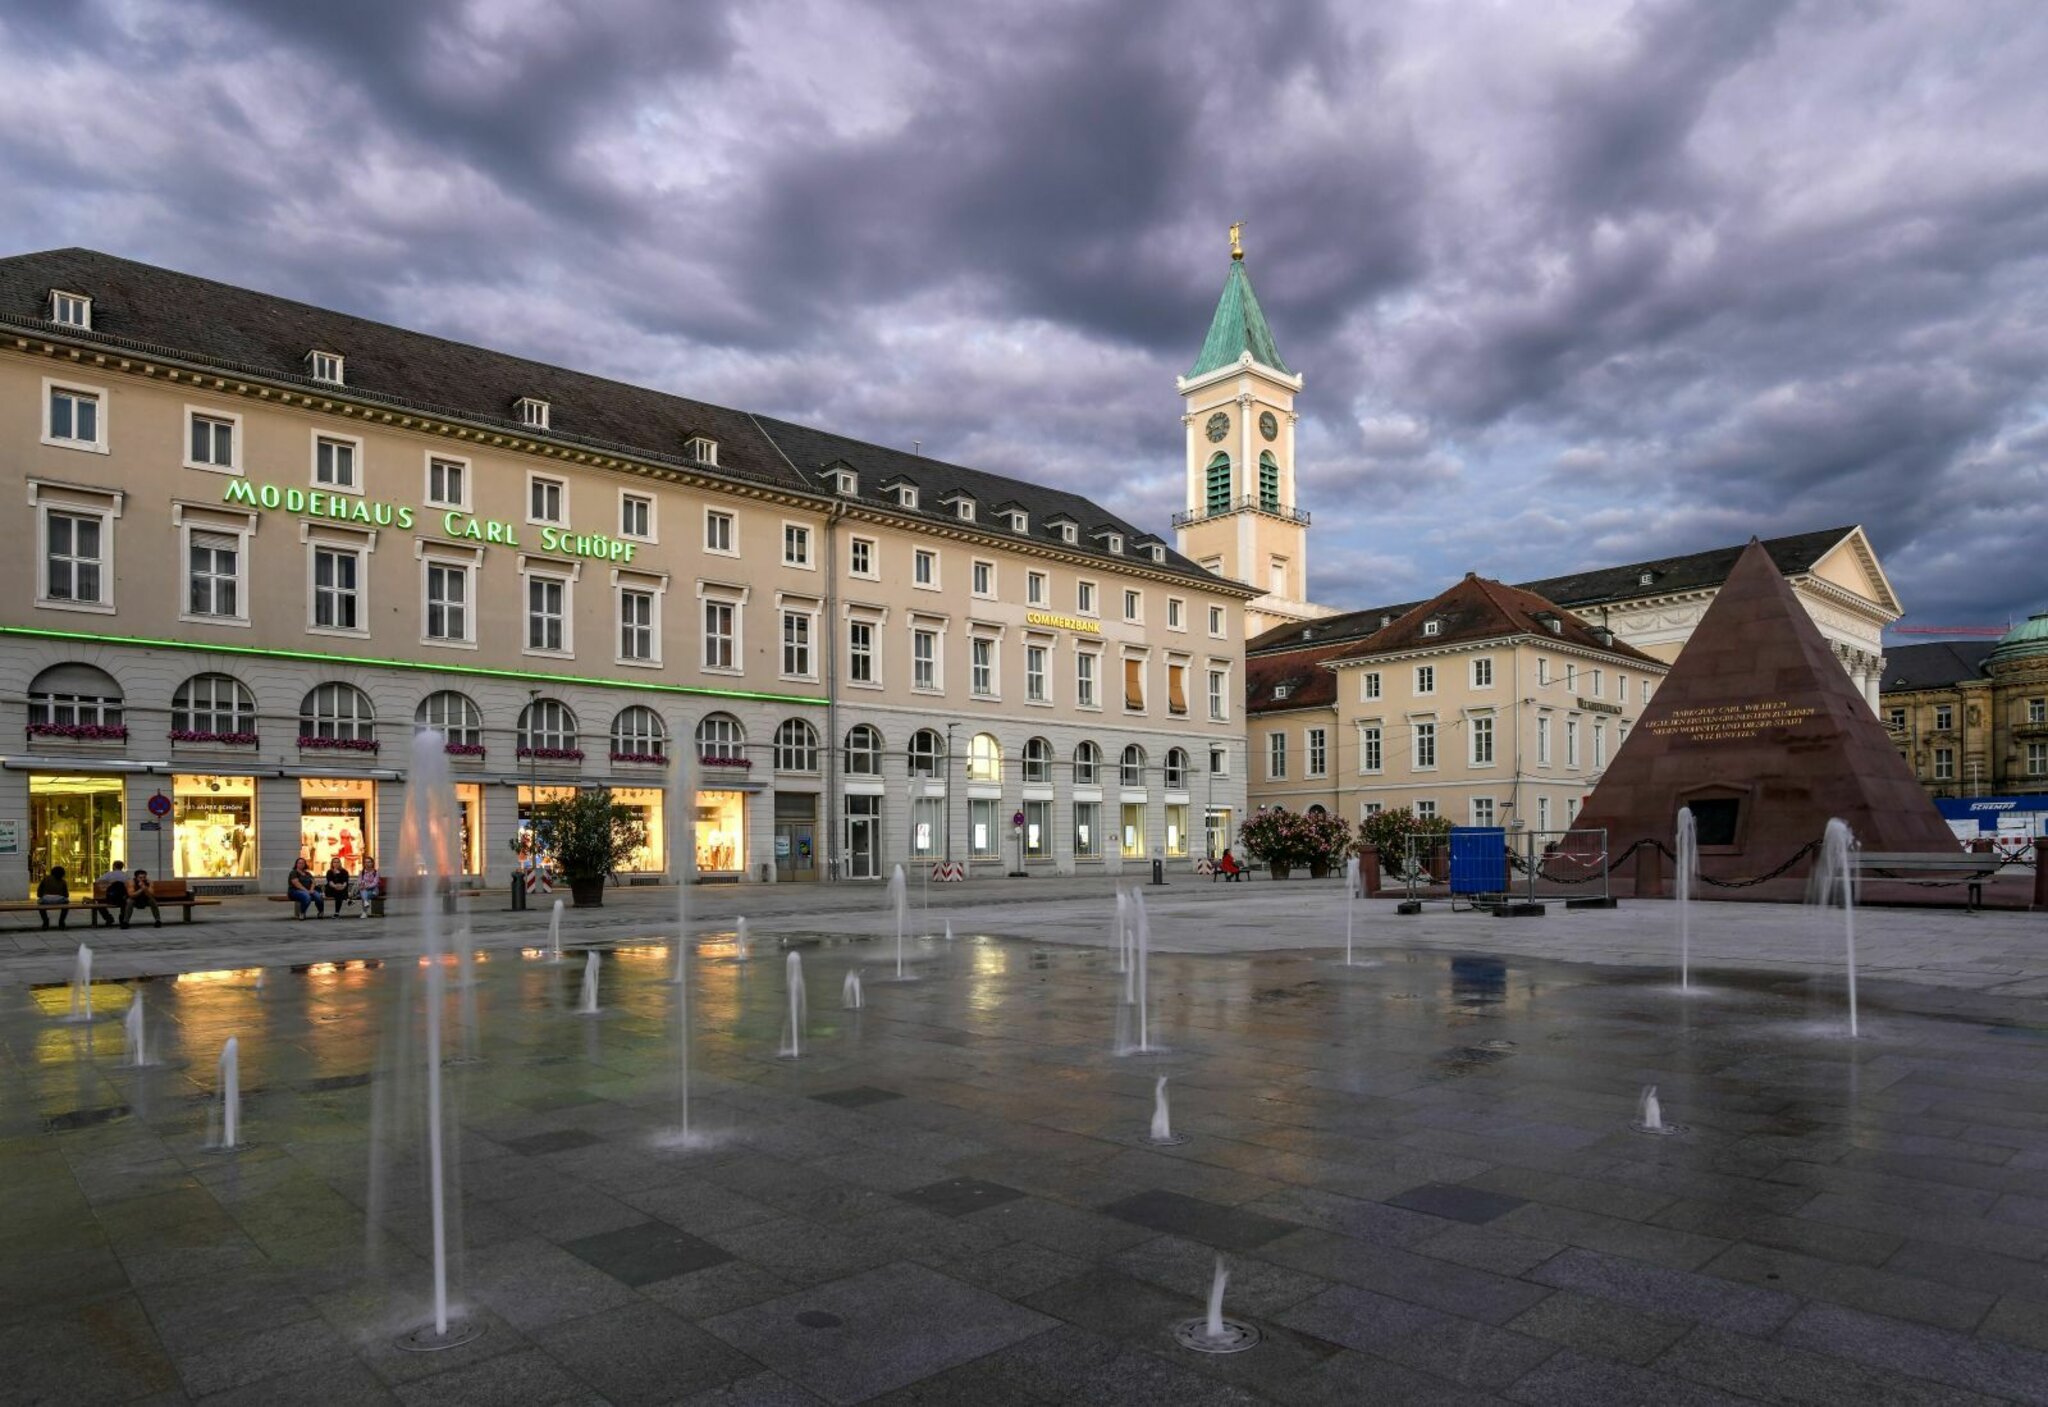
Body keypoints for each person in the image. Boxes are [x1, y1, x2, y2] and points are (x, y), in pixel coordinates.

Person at [97, 860, 130, 928]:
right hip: (122, 899)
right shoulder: (125, 875)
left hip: (110, 898)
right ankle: (122, 917)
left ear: (114, 866)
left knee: (99, 903)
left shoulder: (109, 874)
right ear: (122, 867)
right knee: (125, 902)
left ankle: (108, 918)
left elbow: (98, 881)